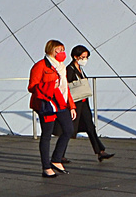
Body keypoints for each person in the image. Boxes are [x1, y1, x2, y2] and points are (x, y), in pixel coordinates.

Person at [27, 40, 73, 177]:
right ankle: (46, 167)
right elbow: (32, 87)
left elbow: (65, 88)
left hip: (61, 102)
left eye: (63, 50)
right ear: (50, 50)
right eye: (58, 50)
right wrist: (50, 86)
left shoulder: (62, 66)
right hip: (47, 104)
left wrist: (72, 105)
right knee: (47, 135)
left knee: (69, 129)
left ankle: (56, 159)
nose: (61, 53)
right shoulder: (40, 66)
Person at [64, 45, 114, 162]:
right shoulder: (70, 69)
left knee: (90, 127)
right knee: (69, 130)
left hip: (83, 102)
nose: (84, 60)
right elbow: (67, 86)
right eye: (82, 57)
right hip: (75, 104)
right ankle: (59, 154)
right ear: (75, 57)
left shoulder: (80, 69)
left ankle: (100, 151)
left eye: (86, 57)